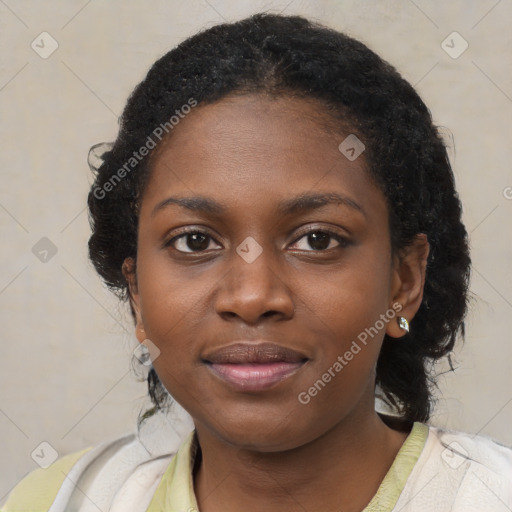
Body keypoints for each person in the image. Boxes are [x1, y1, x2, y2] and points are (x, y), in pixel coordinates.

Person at [2, 12, 511, 512]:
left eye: (316, 240)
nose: (251, 297)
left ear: (404, 281)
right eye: (195, 241)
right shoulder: (60, 501)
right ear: (136, 294)